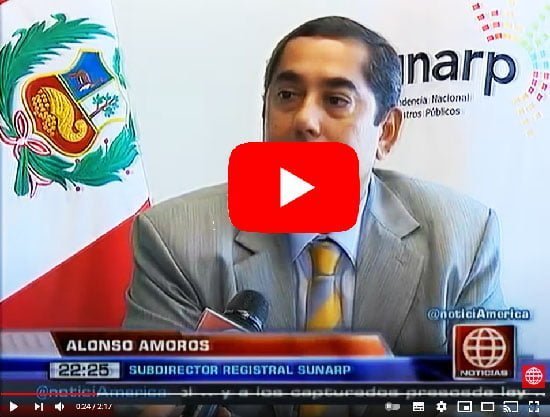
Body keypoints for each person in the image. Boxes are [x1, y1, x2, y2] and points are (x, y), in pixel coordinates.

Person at [123, 16, 505, 417]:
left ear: (386, 132)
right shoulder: (176, 239)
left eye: (336, 100)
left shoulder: (463, 239)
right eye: (287, 95)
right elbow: (145, 403)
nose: (305, 120)